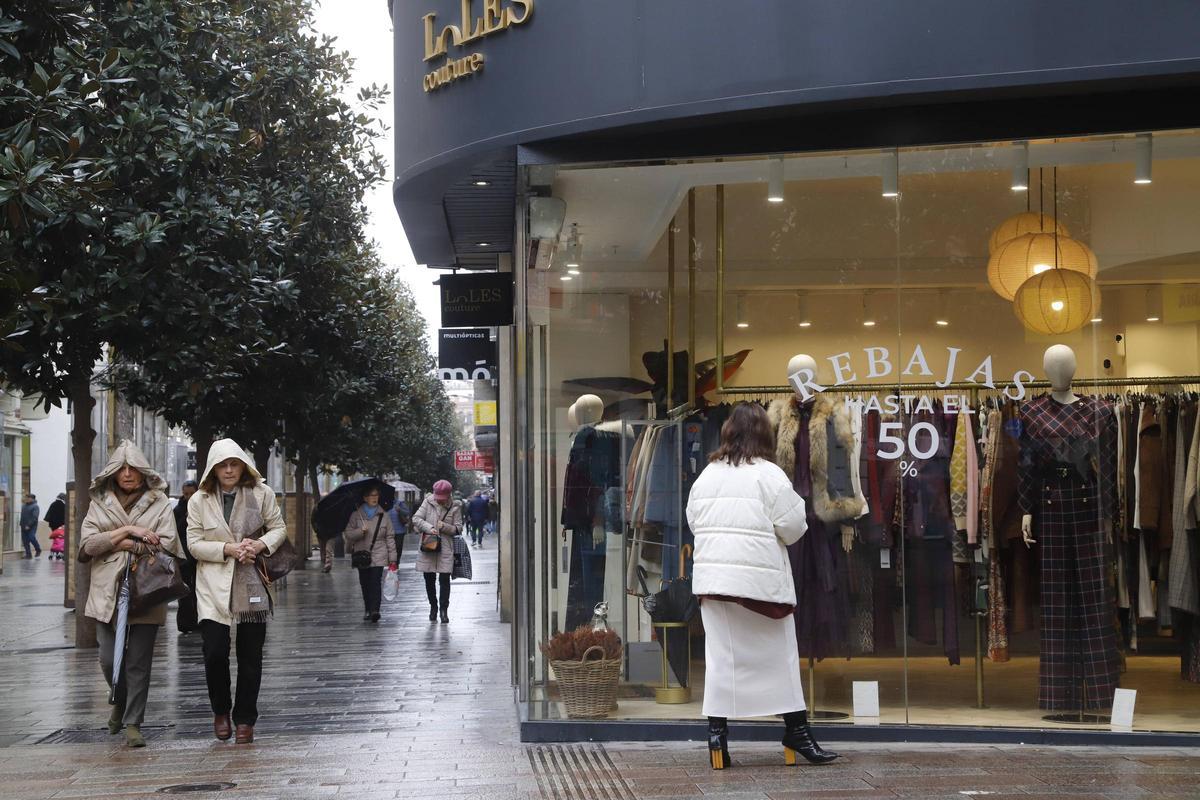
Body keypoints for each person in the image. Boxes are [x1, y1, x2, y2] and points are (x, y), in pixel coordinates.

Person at [685, 402, 838, 770]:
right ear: (765, 434)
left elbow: (694, 522)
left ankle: (717, 736)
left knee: (721, 661)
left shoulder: (707, 475)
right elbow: (793, 527)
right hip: (759, 584)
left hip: (715, 584)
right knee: (780, 659)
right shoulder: (769, 475)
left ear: (727, 433)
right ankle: (796, 732)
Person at [78, 440, 182, 748]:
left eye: (132, 469)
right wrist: (127, 532)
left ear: (143, 472)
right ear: (112, 472)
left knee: (138, 661)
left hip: (147, 589)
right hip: (107, 591)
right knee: (109, 659)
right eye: (121, 469)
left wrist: (127, 545)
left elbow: (167, 544)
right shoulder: (99, 502)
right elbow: (87, 546)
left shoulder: (160, 502)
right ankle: (119, 700)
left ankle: (134, 722)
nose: (127, 474)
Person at [187, 439, 288, 745]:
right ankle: (220, 710)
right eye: (222, 465)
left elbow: (278, 528)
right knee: (215, 652)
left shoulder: (262, 493)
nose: (229, 470)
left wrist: (259, 545)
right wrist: (227, 548)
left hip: (252, 580)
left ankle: (245, 718)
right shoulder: (199, 500)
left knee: (250, 655)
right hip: (213, 584)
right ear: (213, 469)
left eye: (234, 464)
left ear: (243, 466)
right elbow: (193, 544)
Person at [343, 485, 398, 623]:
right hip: (362, 554)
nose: (374, 498)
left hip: (379, 553)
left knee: (375, 581)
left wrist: (393, 558)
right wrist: (360, 531)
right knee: (365, 583)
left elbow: (390, 537)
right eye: (371, 495)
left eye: (376, 495)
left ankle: (375, 610)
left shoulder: (384, 515)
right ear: (365, 498)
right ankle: (367, 608)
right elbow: (348, 534)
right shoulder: (356, 515)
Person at [413, 480, 462, 623]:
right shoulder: (427, 502)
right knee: (429, 580)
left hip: (446, 548)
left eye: (443, 498)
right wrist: (429, 528)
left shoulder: (455, 506)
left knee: (444, 580)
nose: (439, 501)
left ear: (449, 495)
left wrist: (445, 526)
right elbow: (416, 519)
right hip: (429, 545)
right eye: (438, 497)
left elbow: (459, 528)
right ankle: (433, 607)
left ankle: (443, 610)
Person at [174, 480, 199, 634]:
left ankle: (198, 620)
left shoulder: (202, 507)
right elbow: (175, 531)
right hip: (184, 557)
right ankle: (185, 623)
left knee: (199, 591)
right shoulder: (178, 510)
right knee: (185, 592)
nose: (189, 497)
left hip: (198, 557)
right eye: (186, 494)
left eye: (192, 493)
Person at [20, 493, 40, 558]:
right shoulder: (24, 506)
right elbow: (23, 516)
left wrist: (29, 525)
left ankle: (38, 549)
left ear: (32, 499)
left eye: (28, 498)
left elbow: (35, 517)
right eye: (26, 498)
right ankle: (28, 555)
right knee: (25, 541)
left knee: (31, 537)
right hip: (23, 525)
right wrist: (21, 524)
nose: (26, 499)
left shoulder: (35, 506)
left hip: (31, 526)